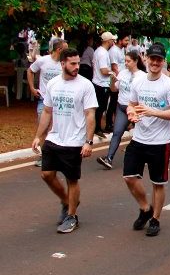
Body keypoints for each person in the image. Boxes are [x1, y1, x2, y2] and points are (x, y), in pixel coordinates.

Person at [31, 48, 97, 233]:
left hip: (74, 141)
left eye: (78, 63)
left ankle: (71, 216)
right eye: (73, 63)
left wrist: (88, 141)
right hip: (54, 137)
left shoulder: (85, 85)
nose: (77, 67)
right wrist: (38, 135)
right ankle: (66, 200)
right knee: (46, 174)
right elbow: (47, 111)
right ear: (62, 64)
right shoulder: (52, 84)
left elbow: (90, 114)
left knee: (72, 180)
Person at [123, 43, 170, 236]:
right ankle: (145, 208)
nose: (155, 63)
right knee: (129, 177)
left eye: (159, 60)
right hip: (139, 138)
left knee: (158, 183)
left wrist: (153, 112)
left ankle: (155, 219)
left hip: (160, 142)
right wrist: (132, 114)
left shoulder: (169, 84)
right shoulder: (138, 82)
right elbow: (131, 105)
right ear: (146, 59)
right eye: (152, 59)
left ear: (163, 61)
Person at [97, 51, 146, 169]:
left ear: (135, 61)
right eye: (125, 61)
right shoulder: (123, 73)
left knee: (143, 134)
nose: (126, 63)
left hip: (136, 109)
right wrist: (112, 80)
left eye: (128, 61)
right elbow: (114, 90)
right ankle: (109, 158)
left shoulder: (143, 76)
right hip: (122, 107)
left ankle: (146, 157)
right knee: (117, 132)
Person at [27, 38, 67, 166]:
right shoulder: (43, 60)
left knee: (54, 129)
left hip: (59, 101)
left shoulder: (64, 63)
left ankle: (53, 156)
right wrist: (32, 88)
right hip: (43, 100)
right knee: (43, 128)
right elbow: (30, 71)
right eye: (65, 48)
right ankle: (44, 156)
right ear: (59, 49)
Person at [92, 31, 117, 137]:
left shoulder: (99, 51)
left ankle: (98, 128)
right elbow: (103, 70)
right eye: (112, 40)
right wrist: (112, 72)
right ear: (108, 41)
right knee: (100, 108)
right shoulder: (102, 53)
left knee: (100, 108)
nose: (113, 41)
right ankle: (97, 128)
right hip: (101, 85)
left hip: (99, 83)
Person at [106, 35, 129, 133]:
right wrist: (120, 81)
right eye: (126, 40)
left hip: (121, 81)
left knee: (116, 104)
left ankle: (119, 124)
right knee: (113, 104)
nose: (127, 42)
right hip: (116, 81)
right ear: (120, 40)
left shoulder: (121, 50)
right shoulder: (114, 50)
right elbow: (114, 67)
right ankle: (109, 124)